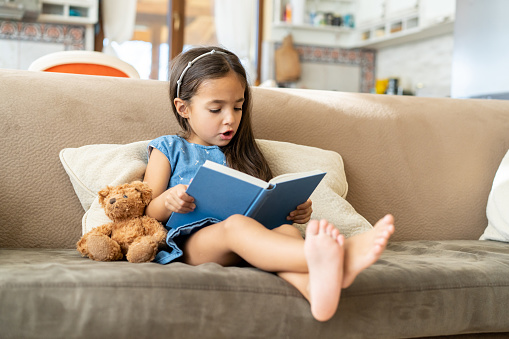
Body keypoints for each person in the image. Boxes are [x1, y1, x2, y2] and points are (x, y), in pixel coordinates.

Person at [143, 46, 395, 322]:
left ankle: (313, 291)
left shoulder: (243, 153)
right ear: (184, 108)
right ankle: (342, 256)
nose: (230, 118)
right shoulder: (169, 149)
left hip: (249, 243)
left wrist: (293, 211)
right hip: (189, 244)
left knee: (286, 231)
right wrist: (168, 200)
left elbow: (259, 203)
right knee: (236, 226)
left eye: (238, 107)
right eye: (216, 109)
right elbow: (145, 213)